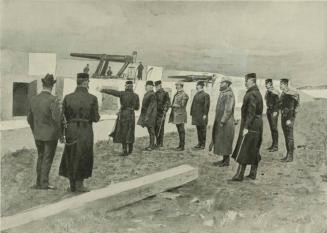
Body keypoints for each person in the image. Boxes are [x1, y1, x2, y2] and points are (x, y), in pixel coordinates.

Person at [59, 73, 100, 192]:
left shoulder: (67, 97)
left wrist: (62, 134)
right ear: (86, 82)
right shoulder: (92, 98)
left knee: (71, 154)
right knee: (84, 155)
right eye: (88, 82)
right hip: (85, 129)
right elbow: (96, 118)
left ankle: (72, 185)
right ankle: (80, 185)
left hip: (71, 129)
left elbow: (62, 117)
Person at [27, 74, 61, 190]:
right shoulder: (53, 99)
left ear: (43, 84)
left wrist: (34, 130)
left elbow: (29, 119)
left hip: (38, 134)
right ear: (52, 85)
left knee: (40, 157)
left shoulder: (34, 99)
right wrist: (60, 133)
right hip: (51, 135)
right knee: (47, 158)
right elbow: (57, 119)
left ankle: (38, 182)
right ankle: (44, 183)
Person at [231, 73, 263, 181]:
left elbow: (251, 112)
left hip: (251, 125)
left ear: (252, 81)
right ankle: (253, 173)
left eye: (247, 81)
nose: (245, 82)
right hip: (256, 124)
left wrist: (246, 127)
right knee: (254, 148)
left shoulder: (252, 94)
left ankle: (239, 174)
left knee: (244, 148)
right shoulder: (256, 92)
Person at [99, 81, 140, 156]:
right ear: (132, 87)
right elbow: (137, 108)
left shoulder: (122, 94)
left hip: (124, 114)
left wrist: (103, 90)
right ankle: (130, 150)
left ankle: (125, 151)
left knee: (123, 132)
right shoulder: (136, 96)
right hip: (131, 115)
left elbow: (113, 92)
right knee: (130, 131)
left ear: (126, 86)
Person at [209, 77, 235, 167]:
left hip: (226, 123)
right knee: (222, 141)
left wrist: (223, 121)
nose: (220, 84)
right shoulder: (223, 93)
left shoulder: (229, 94)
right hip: (221, 121)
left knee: (225, 141)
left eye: (222, 83)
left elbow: (228, 110)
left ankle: (226, 161)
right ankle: (224, 160)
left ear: (227, 84)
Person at [279, 78, 300, 162]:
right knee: (286, 136)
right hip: (284, 116)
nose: (280, 86)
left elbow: (294, 107)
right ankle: (288, 154)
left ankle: (290, 156)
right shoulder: (283, 93)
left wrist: (290, 119)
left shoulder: (291, 93)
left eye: (281, 84)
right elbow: (281, 104)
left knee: (289, 136)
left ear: (286, 84)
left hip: (289, 117)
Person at [169, 81, 189, 151]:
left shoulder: (184, 95)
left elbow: (182, 105)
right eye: (176, 85)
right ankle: (180, 145)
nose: (176, 86)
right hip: (176, 114)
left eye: (177, 85)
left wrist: (172, 105)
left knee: (181, 130)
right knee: (179, 130)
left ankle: (182, 146)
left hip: (180, 115)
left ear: (181, 86)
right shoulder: (177, 94)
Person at [137, 81, 157, 151]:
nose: (145, 87)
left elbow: (151, 106)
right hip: (147, 115)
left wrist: (147, 116)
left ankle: (152, 146)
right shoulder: (148, 94)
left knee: (151, 130)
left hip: (150, 115)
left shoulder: (152, 94)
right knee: (150, 130)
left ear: (150, 86)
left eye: (146, 86)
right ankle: (152, 144)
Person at [190, 81, 210, 150]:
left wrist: (205, 114)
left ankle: (203, 144)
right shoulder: (196, 94)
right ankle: (199, 143)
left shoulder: (205, 95)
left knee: (203, 130)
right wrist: (191, 113)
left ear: (201, 86)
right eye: (196, 85)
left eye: (197, 85)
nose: (196, 86)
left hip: (202, 116)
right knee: (198, 129)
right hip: (196, 116)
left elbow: (206, 106)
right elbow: (193, 104)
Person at [154, 80, 171, 148]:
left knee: (160, 128)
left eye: (157, 86)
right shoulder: (155, 93)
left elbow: (168, 103)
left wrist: (165, 110)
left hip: (161, 113)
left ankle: (160, 144)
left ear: (160, 86)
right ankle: (157, 143)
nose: (156, 88)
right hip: (155, 113)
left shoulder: (165, 93)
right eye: (155, 86)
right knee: (156, 128)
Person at [265, 79, 280, 152]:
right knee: (272, 128)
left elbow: (278, 103)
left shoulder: (275, 92)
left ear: (270, 84)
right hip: (269, 111)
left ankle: (276, 146)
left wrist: (276, 111)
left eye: (267, 83)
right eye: (265, 83)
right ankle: (273, 145)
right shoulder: (267, 92)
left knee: (274, 128)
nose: (265, 85)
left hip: (274, 111)